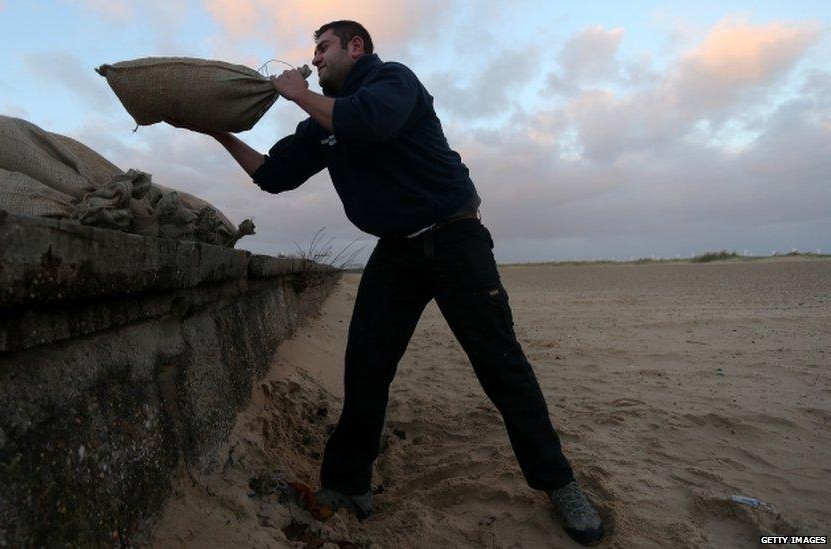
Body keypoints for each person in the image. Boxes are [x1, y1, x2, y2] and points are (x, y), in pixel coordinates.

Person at [185, 20, 604, 546]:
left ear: (355, 47)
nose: (314, 60)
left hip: (456, 240)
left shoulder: (393, 83)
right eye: (313, 53)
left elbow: (369, 123)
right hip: (396, 253)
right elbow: (273, 175)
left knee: (502, 367)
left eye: (323, 49)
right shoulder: (322, 124)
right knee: (366, 367)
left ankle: (560, 485)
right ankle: (346, 485)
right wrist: (217, 132)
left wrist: (298, 95)